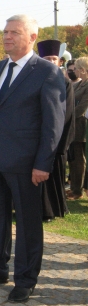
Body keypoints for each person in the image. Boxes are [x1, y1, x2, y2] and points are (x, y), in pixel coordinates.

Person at [0, 15, 66, 304]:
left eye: (14, 32)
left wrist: (43, 163)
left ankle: (25, 279)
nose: (7, 37)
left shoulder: (47, 72)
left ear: (32, 37)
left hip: (26, 164)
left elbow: (53, 124)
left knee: (27, 223)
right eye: (5, 32)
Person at [37, 40, 74, 221]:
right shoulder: (35, 78)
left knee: (54, 175)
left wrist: (57, 135)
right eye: (47, 58)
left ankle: (52, 209)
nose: (51, 62)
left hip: (57, 136)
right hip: (37, 135)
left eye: (54, 59)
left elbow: (66, 112)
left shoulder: (65, 81)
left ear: (59, 61)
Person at [67, 57, 88, 200]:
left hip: (81, 126)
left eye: (76, 69)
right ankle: (74, 187)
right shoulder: (79, 84)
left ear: (82, 70)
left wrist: (67, 116)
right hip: (73, 125)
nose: (74, 71)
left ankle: (78, 190)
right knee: (73, 159)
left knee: (79, 160)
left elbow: (82, 107)